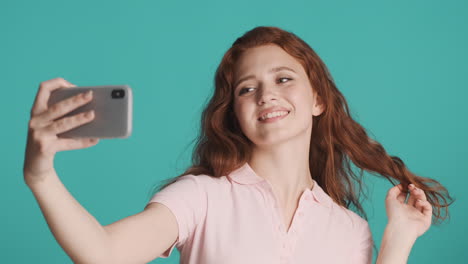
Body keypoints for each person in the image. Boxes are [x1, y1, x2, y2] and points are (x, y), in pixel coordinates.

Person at [24, 26, 453, 264]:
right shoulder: (201, 198)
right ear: (234, 113)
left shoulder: (350, 230)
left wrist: (398, 241)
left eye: (283, 79)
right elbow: (102, 253)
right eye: (247, 89)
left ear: (318, 99)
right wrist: (40, 176)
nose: (266, 95)